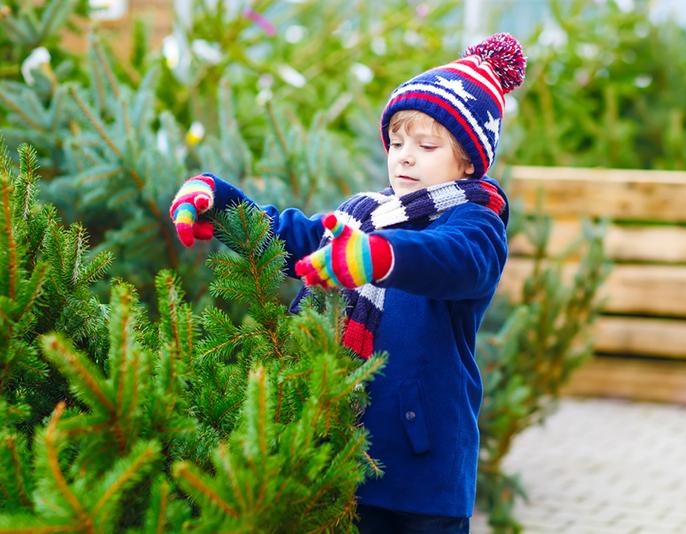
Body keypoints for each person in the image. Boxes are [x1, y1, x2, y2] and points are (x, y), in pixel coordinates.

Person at [169, 32, 526, 533]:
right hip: (341, 457)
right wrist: (223, 205)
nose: (404, 156)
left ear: (467, 161)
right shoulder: (365, 218)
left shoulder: (475, 223)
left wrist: (379, 257)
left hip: (424, 477)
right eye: (397, 142)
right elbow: (300, 236)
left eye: (426, 145)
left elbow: (456, 261)